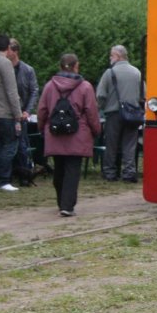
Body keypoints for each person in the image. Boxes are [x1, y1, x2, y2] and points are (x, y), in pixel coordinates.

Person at [38, 53, 101, 216]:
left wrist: (42, 128)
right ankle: (67, 205)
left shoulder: (49, 86)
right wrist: (96, 130)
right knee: (72, 171)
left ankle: (61, 202)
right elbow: (92, 112)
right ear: (76, 66)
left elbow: (42, 110)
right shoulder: (85, 87)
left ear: (60, 66)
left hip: (55, 133)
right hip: (77, 134)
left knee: (59, 168)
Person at [95, 45, 144, 183]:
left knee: (111, 144)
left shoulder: (109, 73)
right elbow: (143, 95)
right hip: (132, 114)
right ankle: (129, 173)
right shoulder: (137, 73)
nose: (110, 58)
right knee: (130, 144)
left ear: (117, 56)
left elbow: (100, 95)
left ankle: (110, 172)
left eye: (111, 55)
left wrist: (101, 109)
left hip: (114, 113)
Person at [0, 33, 23, 191]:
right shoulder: (4, 63)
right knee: (9, 145)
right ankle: (3, 179)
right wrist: (18, 114)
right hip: (4, 112)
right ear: (7, 48)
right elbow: (11, 91)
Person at [6, 39, 39, 184]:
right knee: (7, 145)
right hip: (5, 114)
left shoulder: (27, 70)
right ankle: (7, 175)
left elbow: (34, 91)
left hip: (22, 114)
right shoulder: (2, 68)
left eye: (8, 50)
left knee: (22, 146)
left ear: (15, 51)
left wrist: (27, 111)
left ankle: (24, 176)